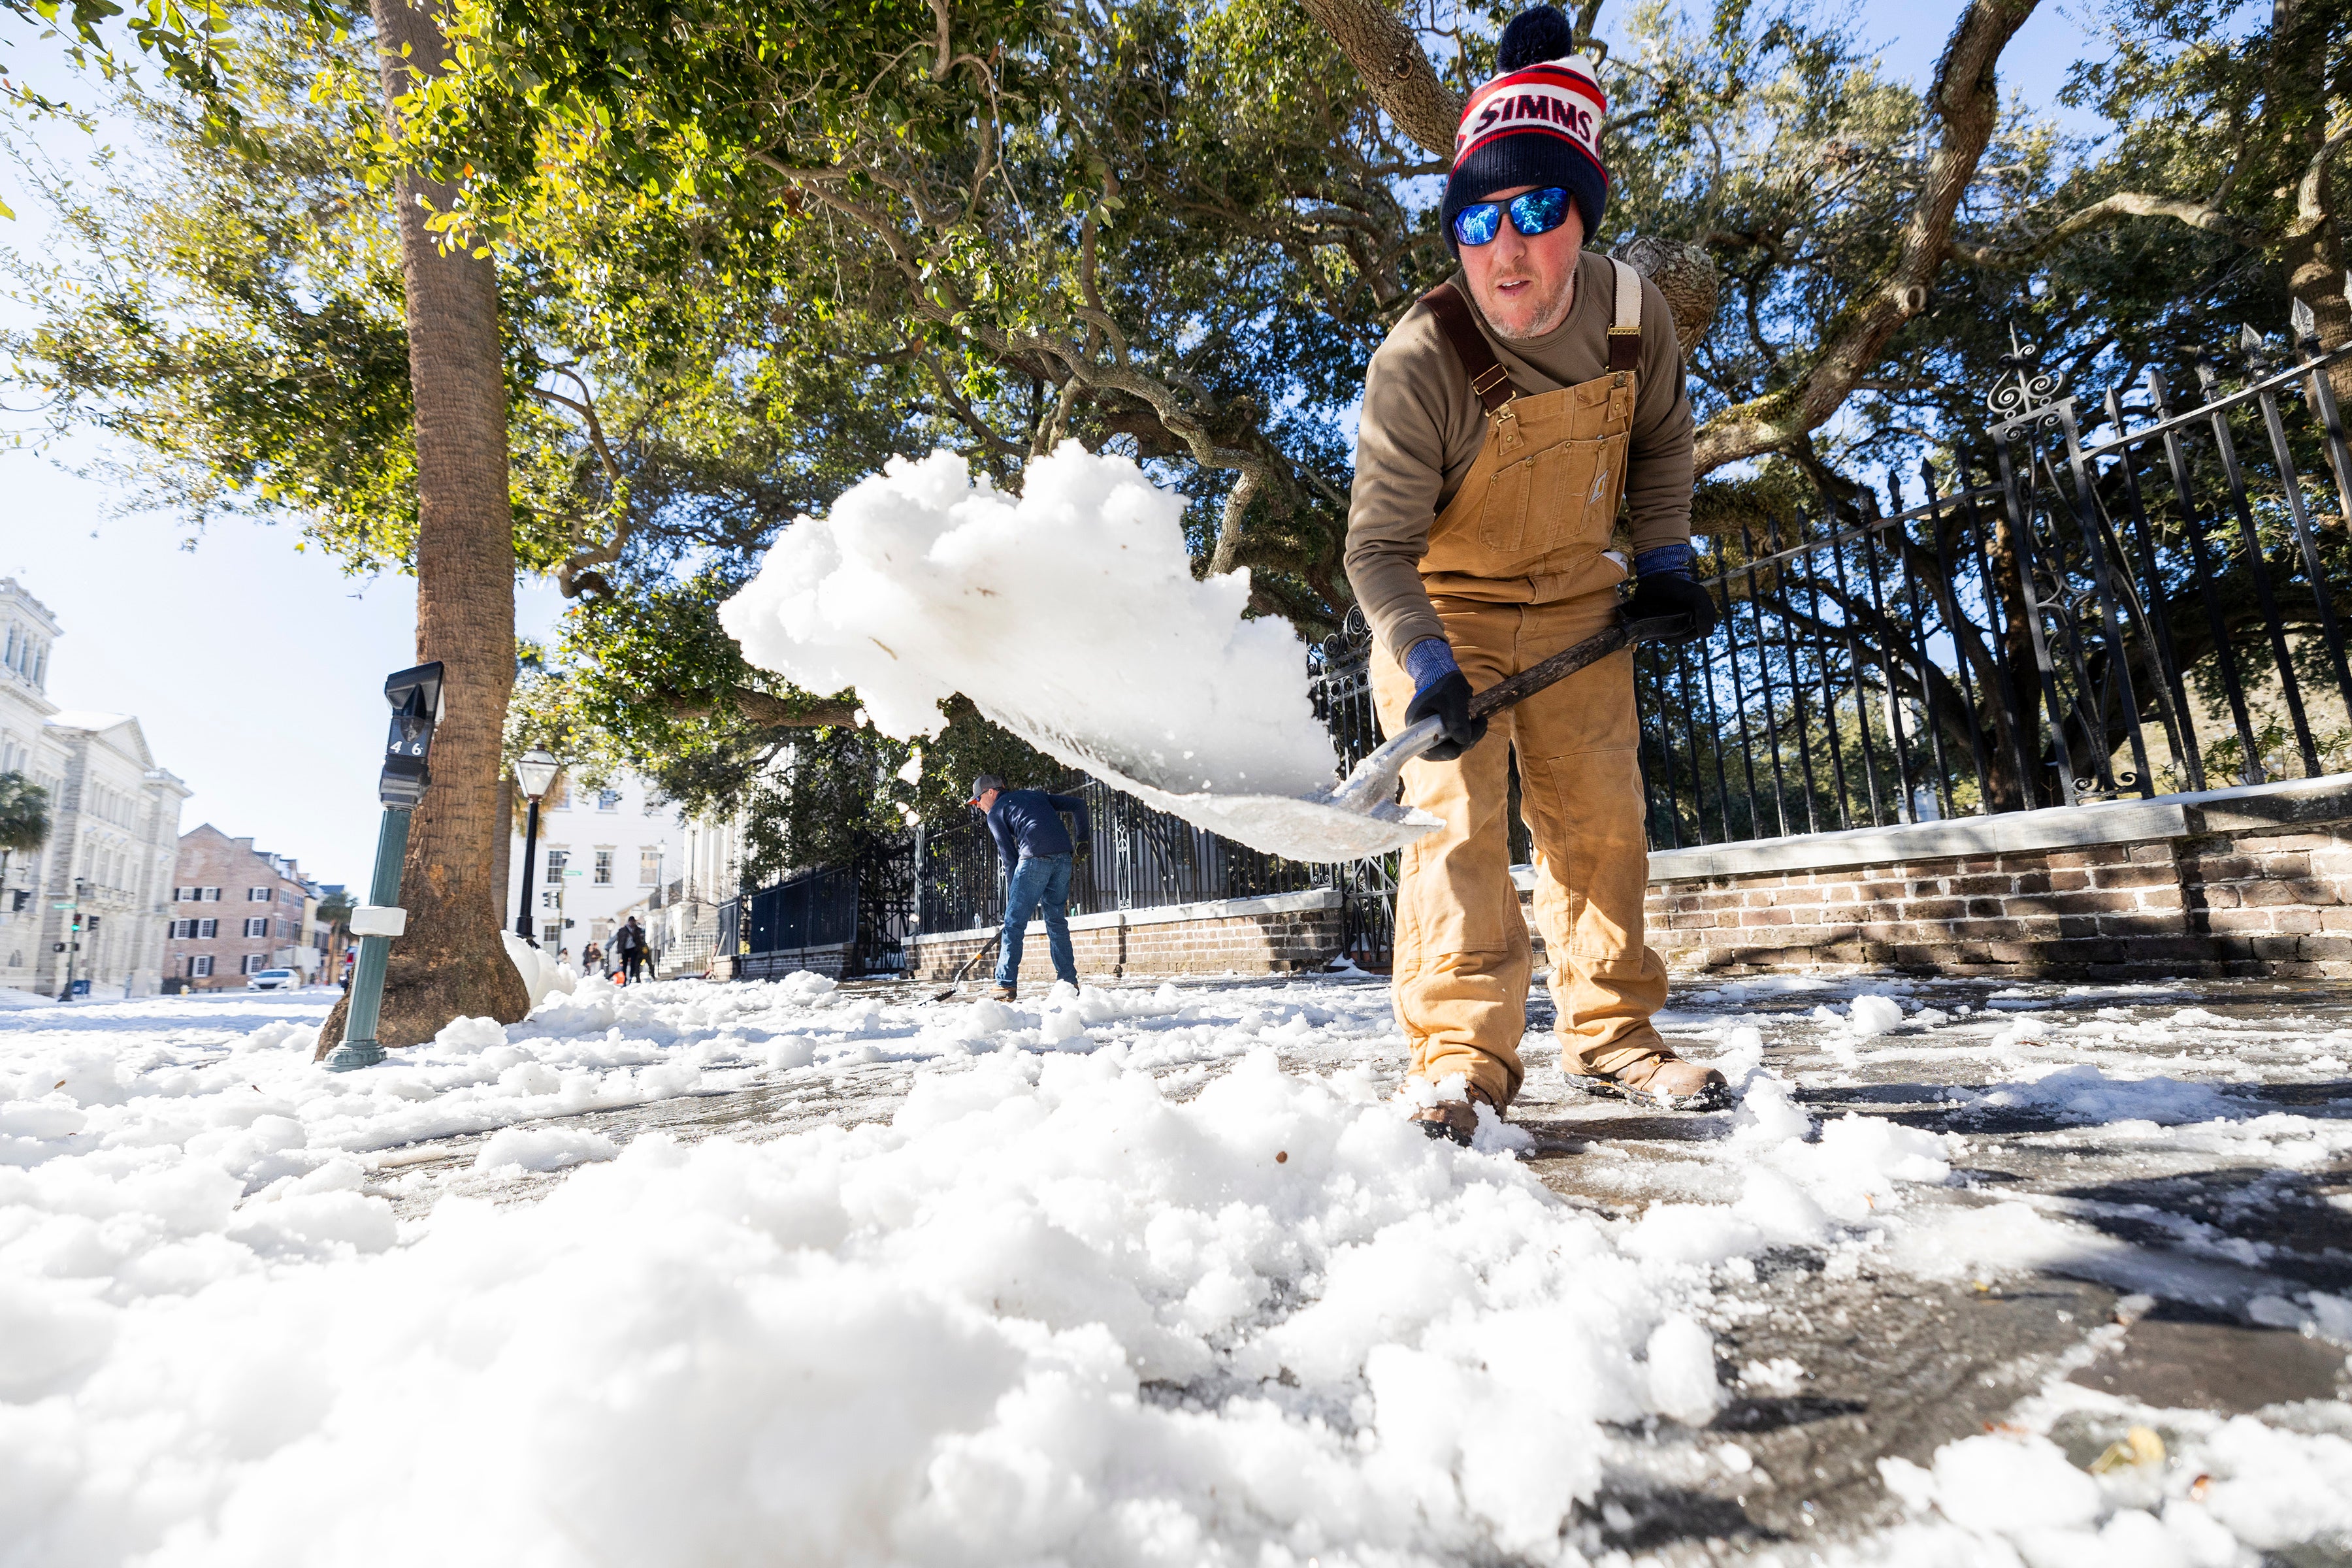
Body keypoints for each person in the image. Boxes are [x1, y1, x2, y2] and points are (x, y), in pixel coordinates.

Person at [1343, 5, 1725, 1143]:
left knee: (1600, 825)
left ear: (1584, 218)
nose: (1506, 249)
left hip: (1575, 611)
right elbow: (1373, 548)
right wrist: (1423, 661)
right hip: (1446, 615)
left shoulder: (1630, 311)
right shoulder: (1423, 356)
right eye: (1477, 218)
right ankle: (1461, 1062)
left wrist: (1661, 556)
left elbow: (1660, 445)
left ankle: (1614, 1036)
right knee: (1456, 826)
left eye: (1539, 211)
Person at [968, 774, 1090, 1001]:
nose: (978, 806)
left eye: (978, 800)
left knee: (1014, 923)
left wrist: (1014, 899)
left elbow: (1009, 859)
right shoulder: (1034, 795)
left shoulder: (995, 813)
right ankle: (1068, 982)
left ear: (991, 792)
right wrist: (1083, 840)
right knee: (1056, 920)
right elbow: (1078, 805)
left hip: (1034, 859)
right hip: (1063, 857)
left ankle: (1005, 984)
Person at [616, 917, 648, 984]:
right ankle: (625, 978)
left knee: (633, 964)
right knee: (624, 964)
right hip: (625, 949)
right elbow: (618, 939)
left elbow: (641, 939)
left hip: (634, 949)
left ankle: (631, 977)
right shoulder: (623, 930)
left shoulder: (637, 930)